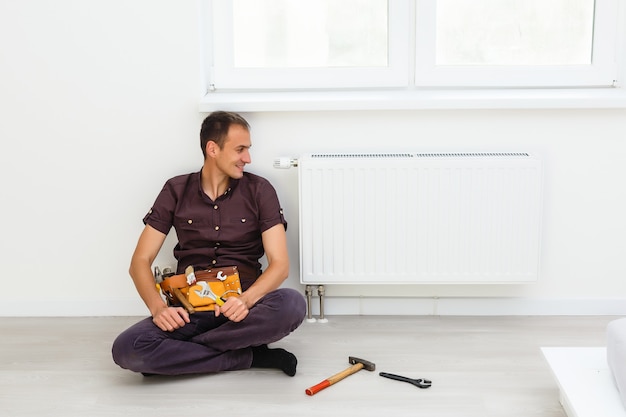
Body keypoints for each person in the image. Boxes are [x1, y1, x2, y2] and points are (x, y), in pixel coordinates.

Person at [112, 111, 306, 377]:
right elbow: (140, 262)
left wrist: (246, 301)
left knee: (292, 304)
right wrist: (158, 309)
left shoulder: (260, 190)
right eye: (240, 149)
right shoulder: (175, 190)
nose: (247, 158)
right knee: (127, 348)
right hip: (188, 310)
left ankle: (177, 356)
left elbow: (280, 265)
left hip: (243, 311)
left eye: (248, 150)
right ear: (212, 149)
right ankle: (248, 356)